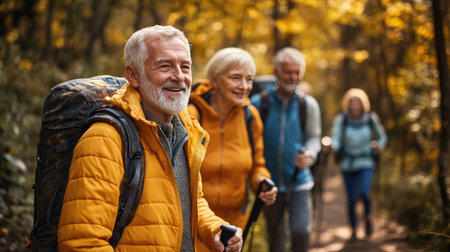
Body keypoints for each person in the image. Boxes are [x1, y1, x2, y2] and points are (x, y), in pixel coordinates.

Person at [57, 25, 243, 252]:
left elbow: (190, 201)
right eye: (165, 66)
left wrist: (215, 229)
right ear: (133, 75)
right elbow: (82, 242)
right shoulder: (105, 139)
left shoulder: (186, 129)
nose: (179, 77)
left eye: (185, 67)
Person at [188, 47, 278, 252]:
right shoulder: (191, 114)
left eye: (249, 79)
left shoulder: (251, 117)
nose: (244, 86)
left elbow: (257, 165)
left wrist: (261, 183)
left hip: (235, 227)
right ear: (215, 79)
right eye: (236, 78)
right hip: (195, 225)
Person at [250, 47, 322, 252]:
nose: (293, 77)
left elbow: (314, 138)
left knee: (302, 232)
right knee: (277, 241)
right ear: (276, 72)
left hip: (299, 182)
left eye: (297, 72)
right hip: (269, 184)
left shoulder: (308, 105)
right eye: (288, 72)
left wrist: (310, 153)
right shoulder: (259, 103)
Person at [330, 88, 387, 242]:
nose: (354, 106)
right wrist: (333, 145)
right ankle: (354, 230)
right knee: (351, 198)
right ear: (347, 105)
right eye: (351, 103)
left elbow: (382, 136)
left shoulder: (371, 118)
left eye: (357, 103)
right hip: (347, 164)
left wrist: (378, 146)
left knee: (364, 192)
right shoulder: (342, 119)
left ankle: (368, 218)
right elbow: (335, 137)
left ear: (363, 104)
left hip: (366, 162)